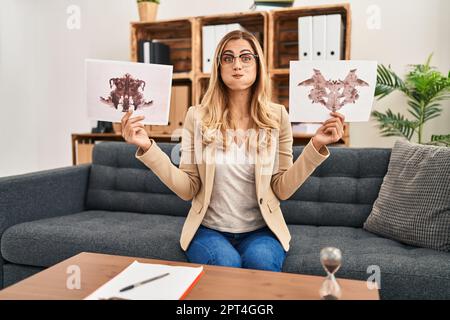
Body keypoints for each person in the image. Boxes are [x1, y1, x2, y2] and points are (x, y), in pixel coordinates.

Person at [121, 30, 345, 272]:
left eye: (246, 57)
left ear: (258, 64)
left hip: (261, 231)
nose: (237, 65)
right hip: (209, 231)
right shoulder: (196, 116)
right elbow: (188, 189)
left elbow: (281, 188)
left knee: (260, 263)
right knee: (225, 265)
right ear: (218, 67)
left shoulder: (277, 116)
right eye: (228, 58)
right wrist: (148, 148)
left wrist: (316, 146)